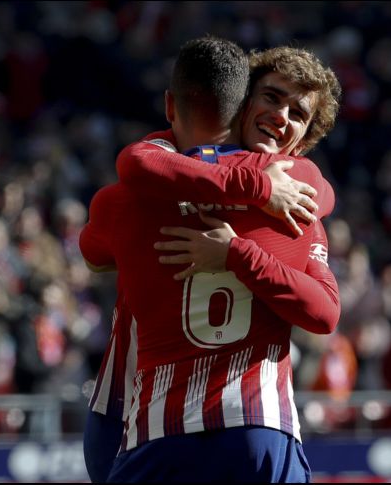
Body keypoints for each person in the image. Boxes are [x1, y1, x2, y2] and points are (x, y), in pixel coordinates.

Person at [80, 37, 341, 483]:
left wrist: (234, 250)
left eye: (297, 114)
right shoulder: (299, 205)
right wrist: (258, 196)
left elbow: (98, 245)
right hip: (260, 431)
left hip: (150, 427)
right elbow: (325, 313)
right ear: (241, 104)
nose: (281, 116)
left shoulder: (127, 199)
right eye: (273, 98)